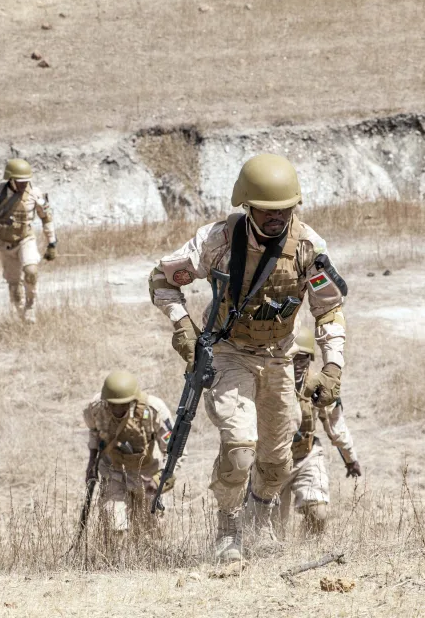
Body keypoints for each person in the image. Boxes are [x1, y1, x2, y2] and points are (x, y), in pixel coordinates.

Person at [148, 153, 348, 561]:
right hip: (228, 352)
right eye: (267, 211)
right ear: (247, 206)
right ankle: (228, 530)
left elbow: (328, 309)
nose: (277, 219)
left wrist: (331, 366)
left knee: (277, 462)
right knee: (240, 447)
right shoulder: (217, 242)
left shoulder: (308, 246)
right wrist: (184, 326)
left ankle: (260, 525)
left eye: (285, 211)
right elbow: (161, 280)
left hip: (279, 356)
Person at [275, 330, 361, 537]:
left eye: (303, 358)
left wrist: (350, 458)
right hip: (273, 460)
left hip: (306, 455)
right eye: (293, 358)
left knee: (318, 513)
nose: (298, 364)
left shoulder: (317, 385)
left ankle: (310, 552)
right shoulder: (268, 385)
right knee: (272, 528)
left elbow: (335, 425)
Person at [82, 370, 177, 536]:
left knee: (151, 531)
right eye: (112, 404)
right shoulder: (96, 407)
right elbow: (94, 432)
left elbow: (175, 450)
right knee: (114, 525)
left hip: (147, 474)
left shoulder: (154, 410)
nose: (117, 408)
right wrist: (91, 463)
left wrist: (160, 479)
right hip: (114, 471)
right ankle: (117, 561)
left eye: (123, 404)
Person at [0, 158, 56, 323]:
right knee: (14, 286)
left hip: (25, 239)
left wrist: (52, 243)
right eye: (19, 182)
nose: (23, 185)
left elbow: (46, 217)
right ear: (10, 179)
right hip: (4, 244)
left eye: (26, 181)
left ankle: (31, 305)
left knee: (31, 271)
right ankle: (23, 319)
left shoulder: (34, 193)